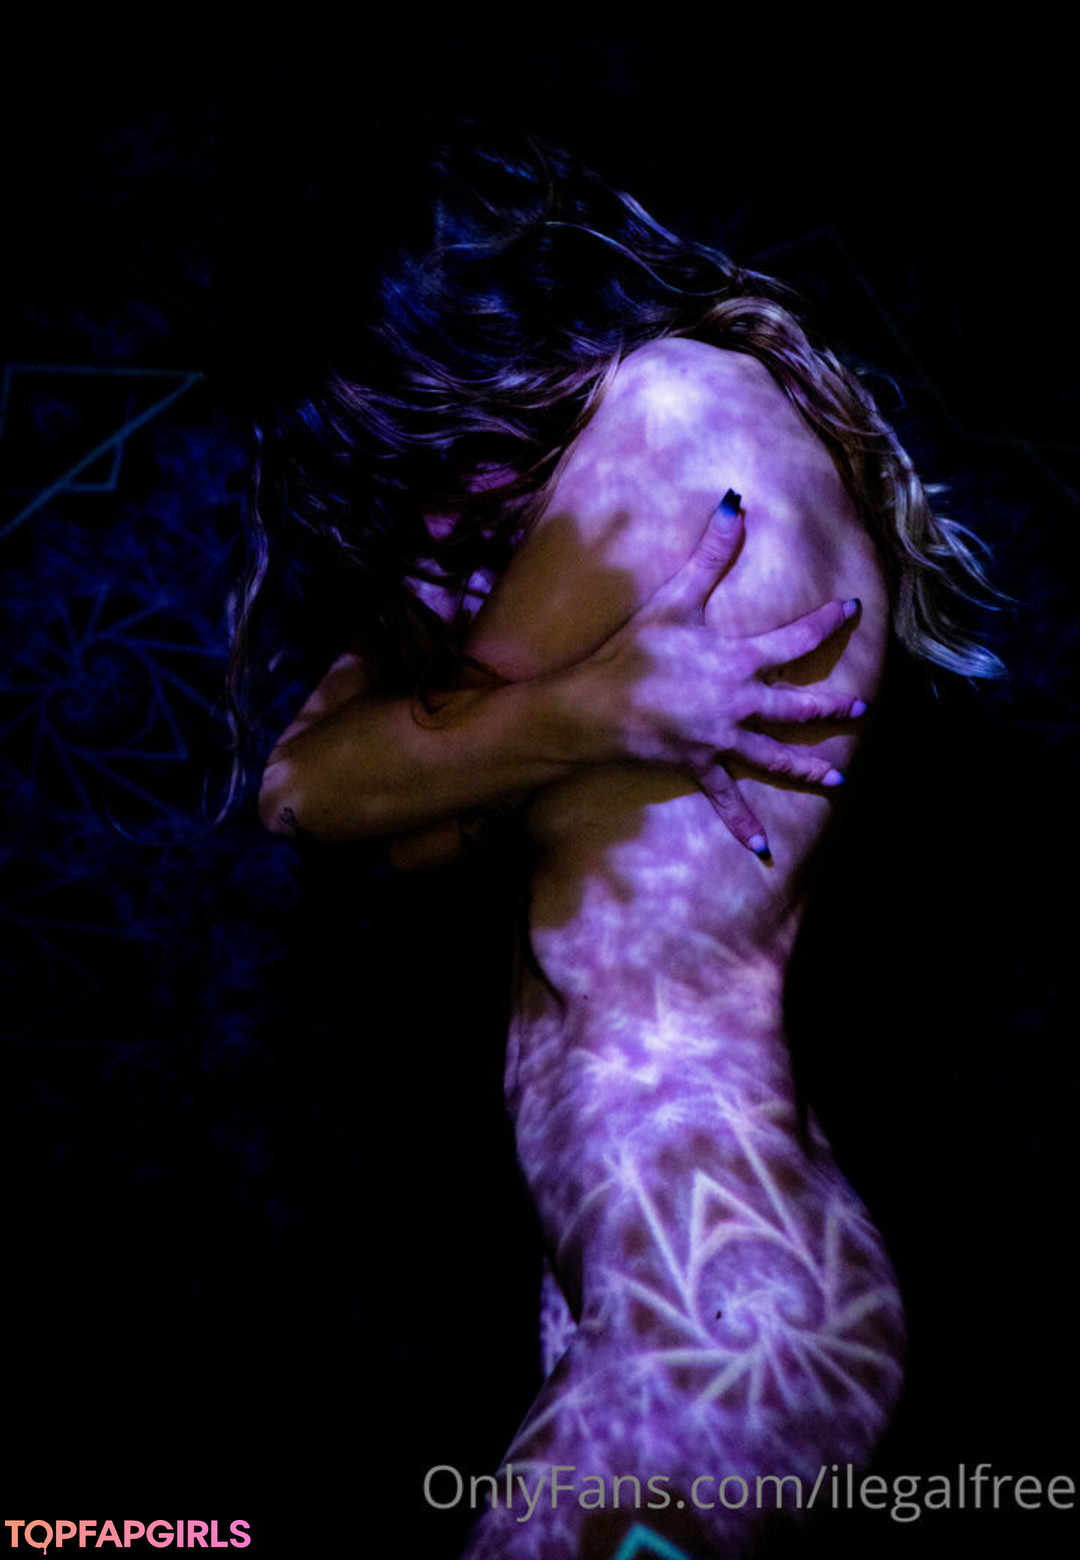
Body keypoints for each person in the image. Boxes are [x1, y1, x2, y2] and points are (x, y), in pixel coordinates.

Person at [226, 121, 1000, 1557]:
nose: (433, 519)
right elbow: (404, 830)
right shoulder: (680, 430)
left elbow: (310, 786)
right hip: (695, 1308)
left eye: (417, 448)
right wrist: (587, 711)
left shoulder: (665, 421)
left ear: (444, 351)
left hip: (716, 1339)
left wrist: (562, 713)